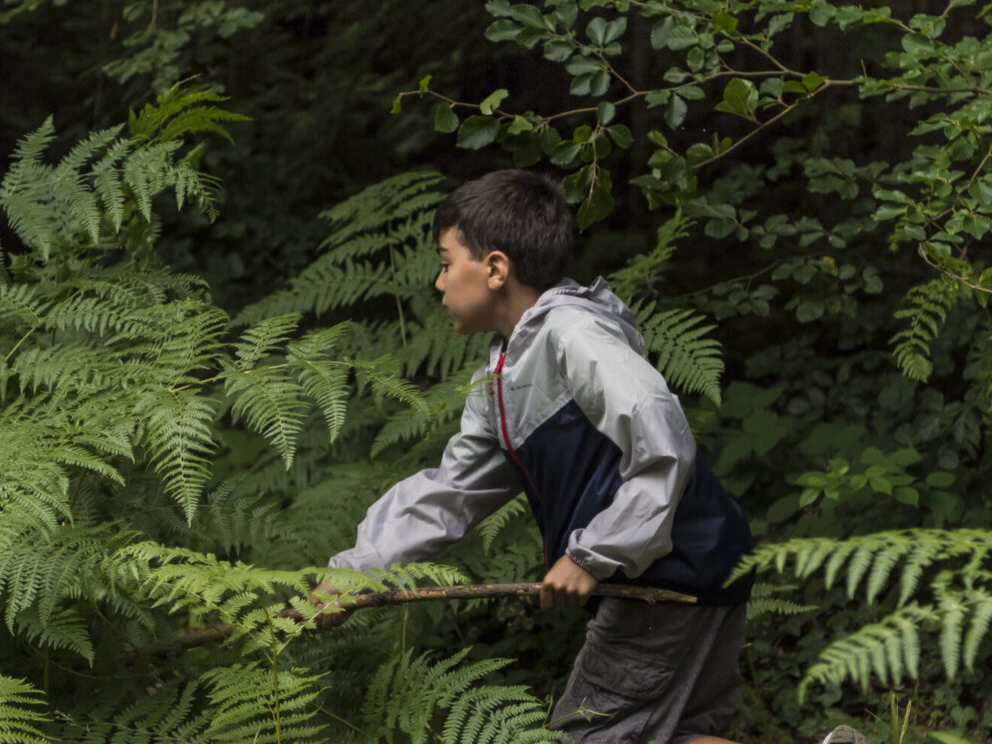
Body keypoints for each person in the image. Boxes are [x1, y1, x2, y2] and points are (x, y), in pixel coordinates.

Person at [317, 169, 755, 744]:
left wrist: (594, 554)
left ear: (495, 268)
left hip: (670, 571)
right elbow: (452, 492)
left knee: (584, 736)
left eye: (446, 262)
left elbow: (662, 434)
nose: (438, 281)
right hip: (693, 563)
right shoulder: (505, 374)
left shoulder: (573, 334)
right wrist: (355, 576)